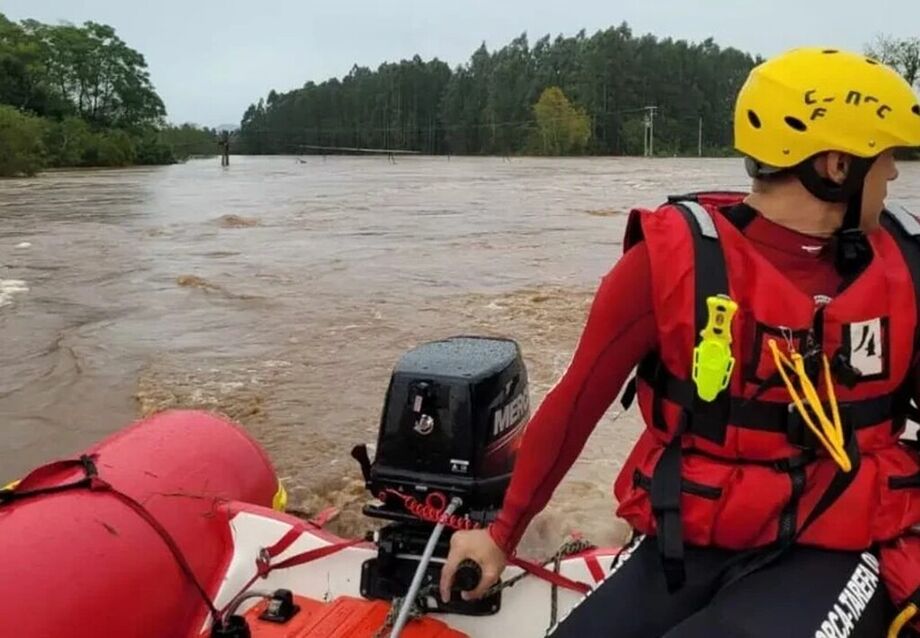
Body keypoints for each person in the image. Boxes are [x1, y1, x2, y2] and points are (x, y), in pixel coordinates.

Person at [440, 47, 920, 637]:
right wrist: (501, 533)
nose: (895, 175)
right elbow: (575, 403)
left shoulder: (907, 268)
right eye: (887, 157)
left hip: (838, 541)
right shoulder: (666, 265)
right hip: (694, 537)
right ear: (837, 166)